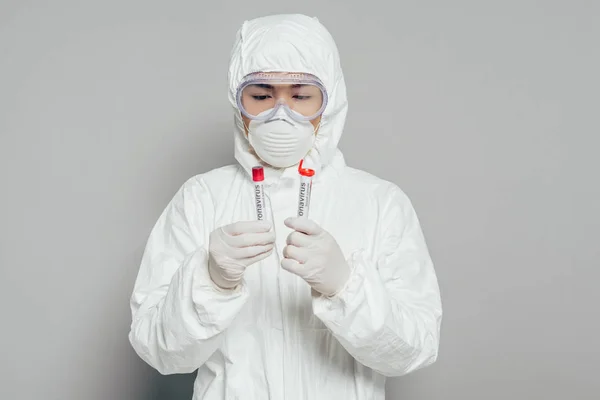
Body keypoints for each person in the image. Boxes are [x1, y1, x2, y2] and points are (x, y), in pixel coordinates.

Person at [128, 13, 442, 400]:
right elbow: (160, 351)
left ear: (329, 103)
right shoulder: (200, 198)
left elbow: (414, 350)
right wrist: (210, 280)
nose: (281, 114)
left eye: (301, 96)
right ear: (236, 101)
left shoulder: (380, 203)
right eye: (260, 96)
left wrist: (346, 287)